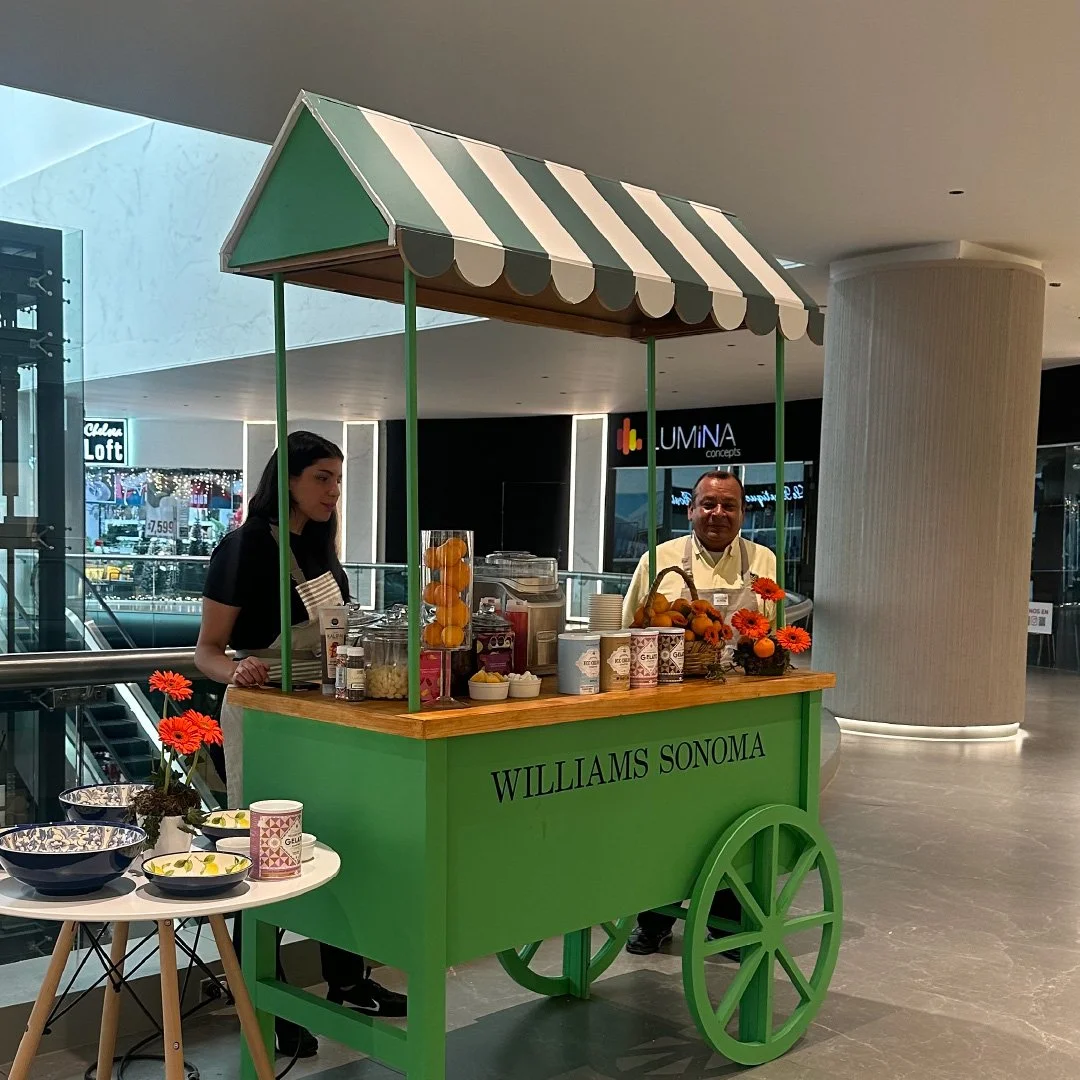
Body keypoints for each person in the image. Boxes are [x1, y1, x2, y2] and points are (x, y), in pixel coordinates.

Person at [196, 431, 406, 1058]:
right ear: (285, 479)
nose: (332, 491)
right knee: (262, 857)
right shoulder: (242, 548)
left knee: (338, 844)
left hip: (327, 715)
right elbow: (206, 651)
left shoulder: (320, 549)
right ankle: (263, 997)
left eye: (338, 480)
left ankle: (348, 979)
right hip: (266, 720)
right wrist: (236, 670)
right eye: (321, 477)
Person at [621, 470, 777, 956]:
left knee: (731, 811)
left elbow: (770, 631)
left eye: (728, 505)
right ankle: (653, 918)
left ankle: (726, 922)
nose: (717, 514)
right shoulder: (660, 560)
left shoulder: (763, 559)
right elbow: (631, 628)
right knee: (665, 815)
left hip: (736, 709)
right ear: (690, 510)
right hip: (670, 706)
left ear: (742, 513)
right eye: (707, 504)